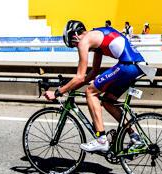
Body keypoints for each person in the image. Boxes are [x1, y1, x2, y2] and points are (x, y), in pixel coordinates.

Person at [44, 20, 145, 153]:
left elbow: (80, 76)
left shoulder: (84, 41)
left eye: (73, 44)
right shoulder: (97, 39)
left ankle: (101, 139)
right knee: (108, 102)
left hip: (127, 65)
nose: (76, 47)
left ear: (74, 35)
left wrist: (57, 92)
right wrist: (71, 86)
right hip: (137, 66)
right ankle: (135, 137)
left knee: (90, 92)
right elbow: (93, 72)